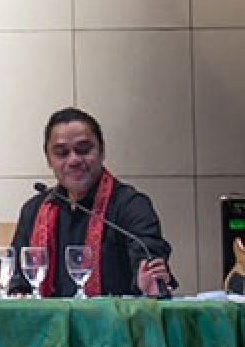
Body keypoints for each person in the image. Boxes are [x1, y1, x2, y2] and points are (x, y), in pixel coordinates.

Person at [9, 108, 174, 297]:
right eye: (62, 153)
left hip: (115, 323)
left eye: (83, 150)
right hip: (47, 324)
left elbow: (147, 259)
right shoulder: (34, 210)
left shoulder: (131, 206)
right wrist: (17, 291)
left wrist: (148, 281)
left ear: (102, 151)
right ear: (48, 159)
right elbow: (17, 278)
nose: (74, 160)